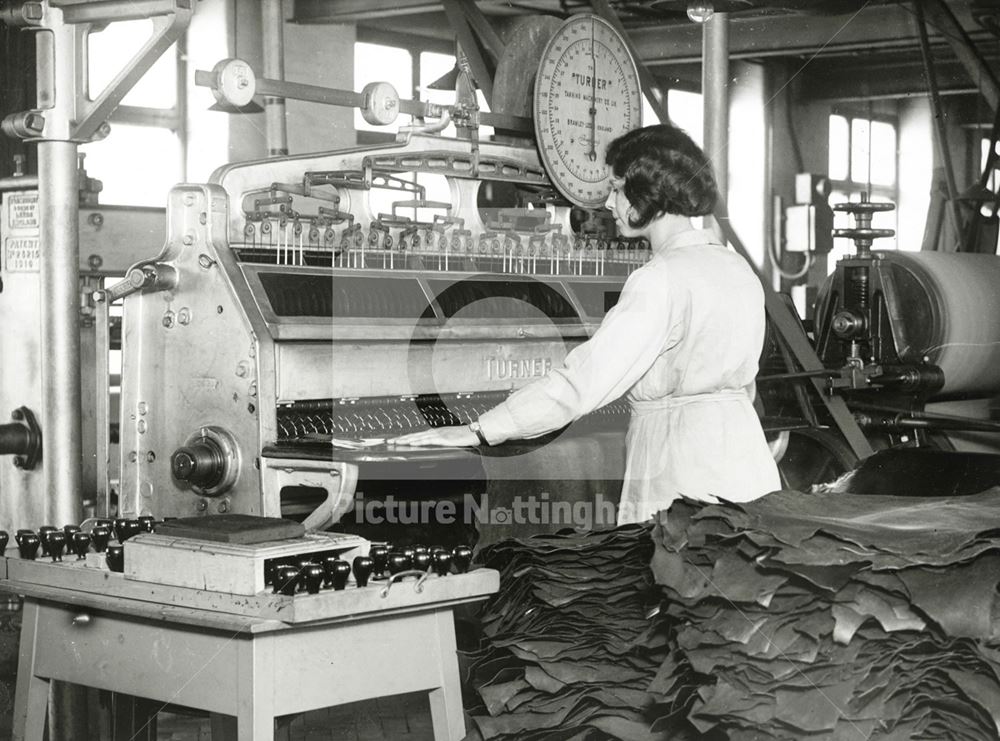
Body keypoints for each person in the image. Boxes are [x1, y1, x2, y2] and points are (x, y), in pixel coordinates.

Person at [392, 123, 780, 524]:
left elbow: (582, 382)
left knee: (674, 578)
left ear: (649, 194)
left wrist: (480, 430)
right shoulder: (738, 270)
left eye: (616, 189)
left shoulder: (660, 278)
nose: (609, 204)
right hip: (748, 469)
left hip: (681, 471)